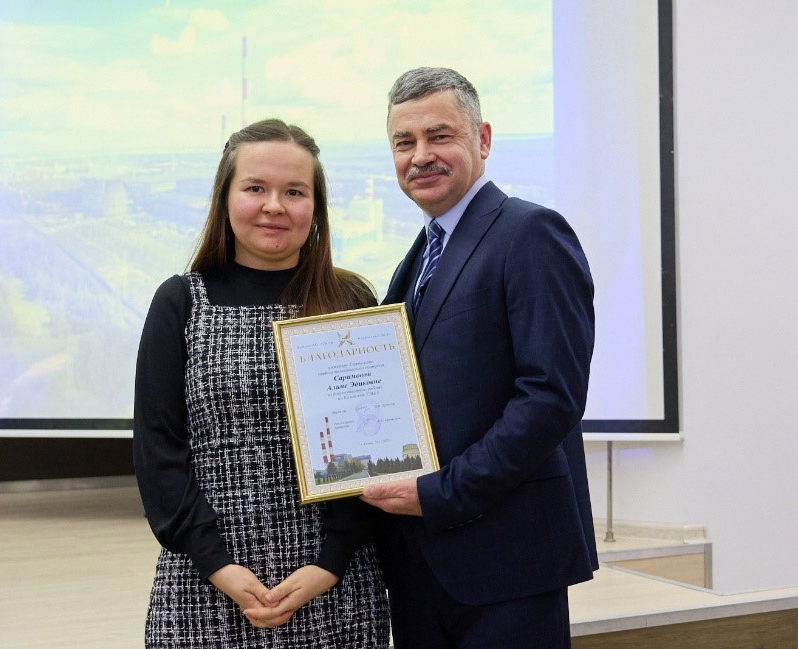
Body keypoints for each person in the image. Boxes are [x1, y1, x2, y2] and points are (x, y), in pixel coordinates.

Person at [360, 67, 599, 648]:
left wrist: (442, 493)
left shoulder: (531, 233)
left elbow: (550, 398)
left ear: (482, 139)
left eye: (439, 136)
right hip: (419, 564)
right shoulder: (419, 256)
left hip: (507, 564)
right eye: (404, 142)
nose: (420, 156)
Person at [133, 118, 390, 648]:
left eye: (294, 192)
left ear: (315, 207)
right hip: (205, 582)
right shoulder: (181, 302)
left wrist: (330, 562)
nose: (274, 206)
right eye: (255, 188)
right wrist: (217, 564)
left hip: (335, 584)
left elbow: (375, 446)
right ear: (225, 198)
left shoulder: (350, 301)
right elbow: (159, 449)